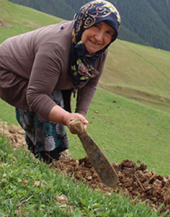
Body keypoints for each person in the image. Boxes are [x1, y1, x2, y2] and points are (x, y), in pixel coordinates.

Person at [0, 0, 121, 163]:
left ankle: (51, 154)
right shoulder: (55, 47)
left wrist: (80, 115)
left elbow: (91, 83)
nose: (100, 38)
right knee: (50, 103)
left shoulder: (98, 51)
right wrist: (66, 118)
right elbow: (36, 95)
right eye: (96, 27)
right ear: (83, 23)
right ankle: (45, 157)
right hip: (9, 71)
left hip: (42, 76)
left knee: (55, 103)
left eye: (108, 32)